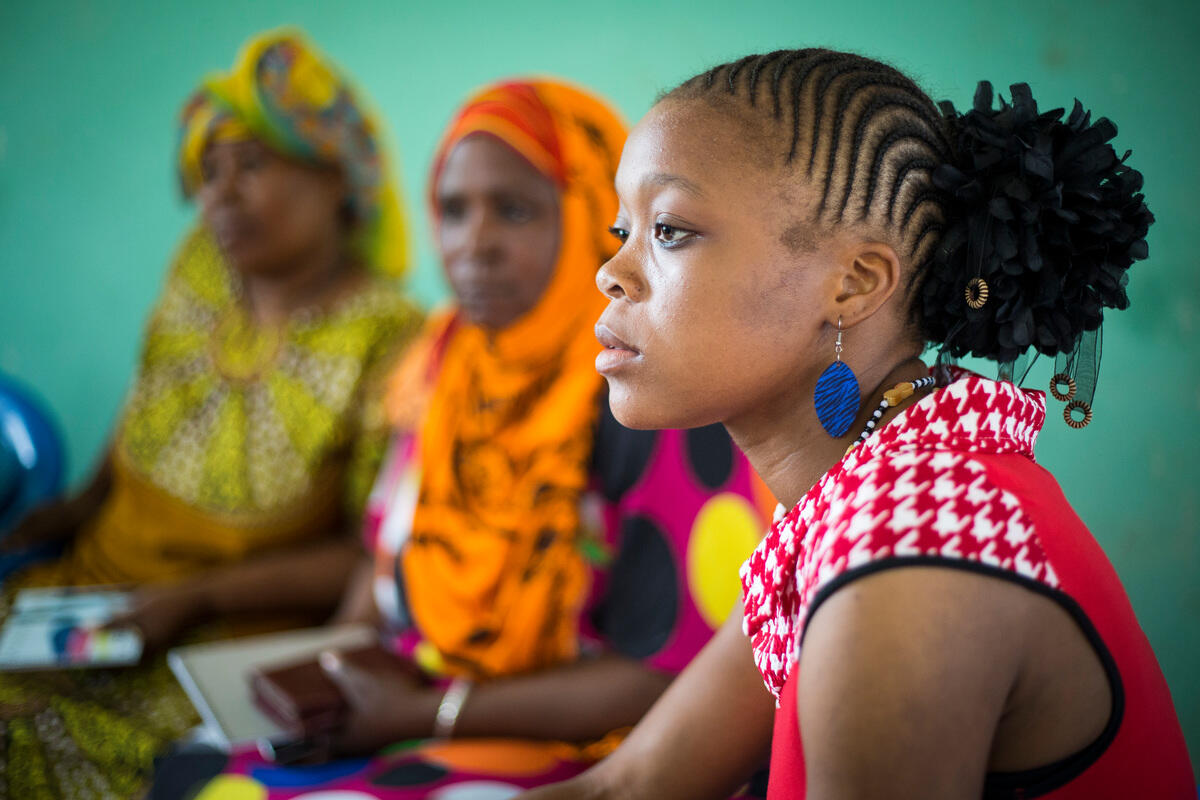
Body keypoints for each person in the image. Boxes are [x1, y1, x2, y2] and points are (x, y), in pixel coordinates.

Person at [522, 49, 1194, 799]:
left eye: (671, 230)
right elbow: (634, 786)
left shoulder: (913, 543)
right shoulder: (861, 497)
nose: (610, 271)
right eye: (624, 229)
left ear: (854, 284)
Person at [167, 78, 770, 799]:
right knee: (190, 764)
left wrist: (429, 713)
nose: (474, 244)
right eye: (454, 211)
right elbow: (388, 553)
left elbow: (664, 676)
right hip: (405, 703)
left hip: (590, 748)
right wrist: (321, 668)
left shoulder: (649, 392)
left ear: (589, 217)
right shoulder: (445, 360)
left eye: (513, 211)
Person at [0, 29, 421, 798]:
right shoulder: (200, 264)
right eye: (208, 172)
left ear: (336, 178)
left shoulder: (389, 336)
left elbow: (369, 552)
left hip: (222, 643)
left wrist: (195, 598)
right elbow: (150, 395)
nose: (217, 196)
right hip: (88, 594)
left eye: (251, 165)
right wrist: (79, 506)